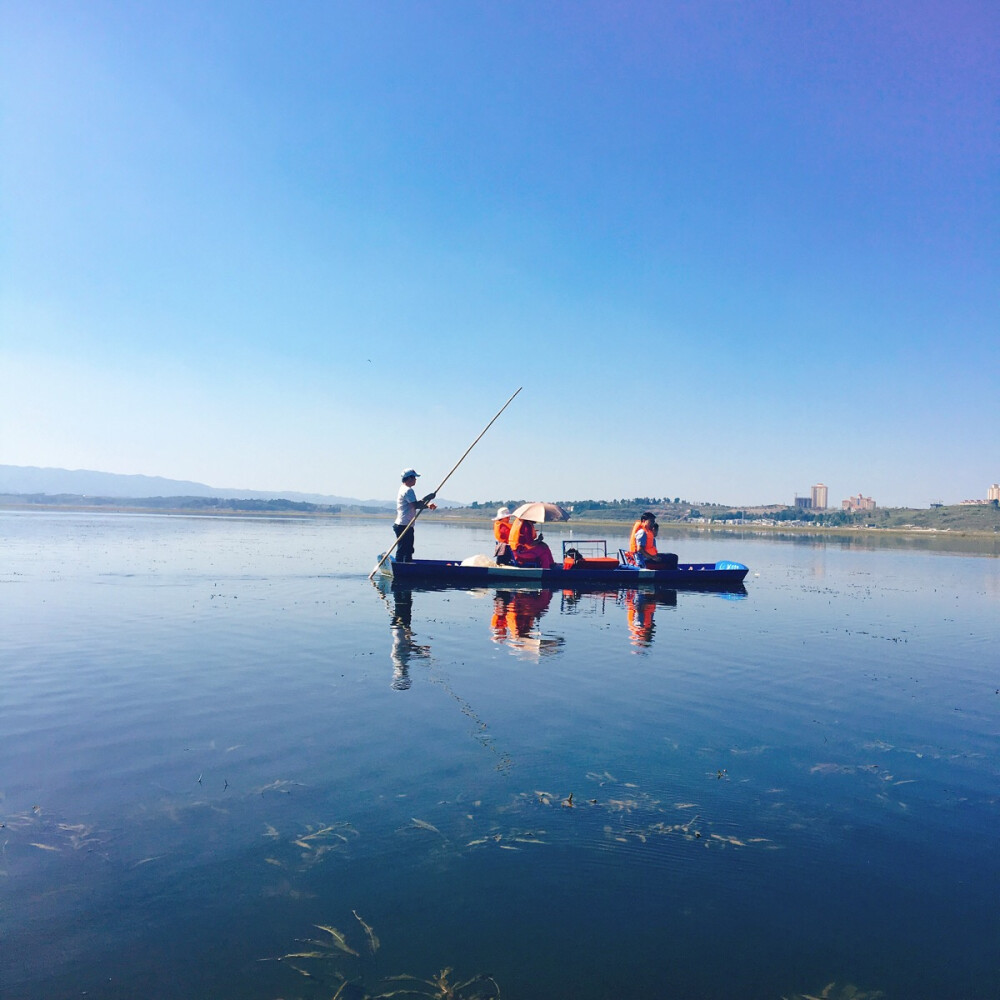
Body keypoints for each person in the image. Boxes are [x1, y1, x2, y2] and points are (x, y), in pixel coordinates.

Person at [393, 469, 437, 563]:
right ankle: (401, 567)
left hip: (404, 524)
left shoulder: (403, 488)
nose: (415, 480)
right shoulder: (408, 490)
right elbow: (416, 505)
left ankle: (405, 565)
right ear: (409, 478)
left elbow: (414, 504)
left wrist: (428, 504)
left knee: (407, 549)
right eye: (414, 478)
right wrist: (427, 498)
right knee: (404, 549)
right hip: (404, 525)